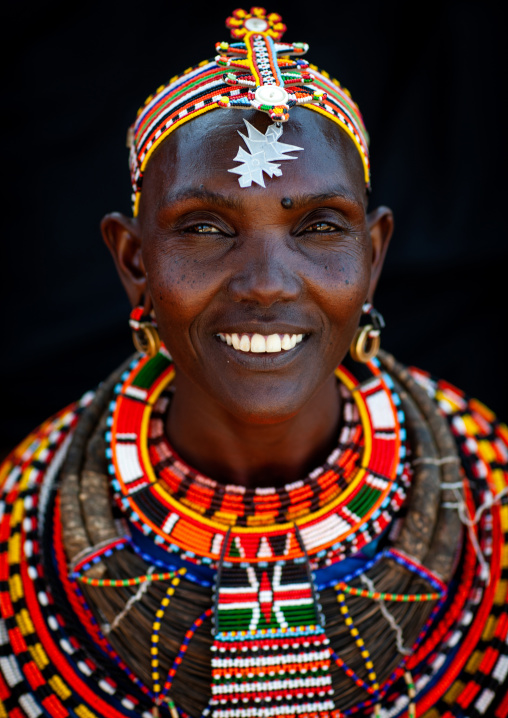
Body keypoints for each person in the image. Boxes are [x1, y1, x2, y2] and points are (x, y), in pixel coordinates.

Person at [1, 7, 507, 718]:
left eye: (319, 226)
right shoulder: (19, 522)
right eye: (205, 228)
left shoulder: (494, 493)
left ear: (374, 255)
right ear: (134, 261)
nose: (266, 282)